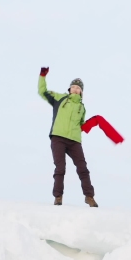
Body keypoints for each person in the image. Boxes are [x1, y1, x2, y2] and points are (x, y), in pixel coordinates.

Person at [38, 66, 98, 207]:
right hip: (58, 137)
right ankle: (58, 197)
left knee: (83, 168)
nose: (76, 89)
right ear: (69, 89)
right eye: (73, 87)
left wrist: (93, 123)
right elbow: (42, 92)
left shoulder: (82, 108)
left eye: (79, 88)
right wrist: (42, 76)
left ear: (81, 92)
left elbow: (82, 125)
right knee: (60, 168)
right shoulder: (60, 98)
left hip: (74, 141)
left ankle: (89, 196)